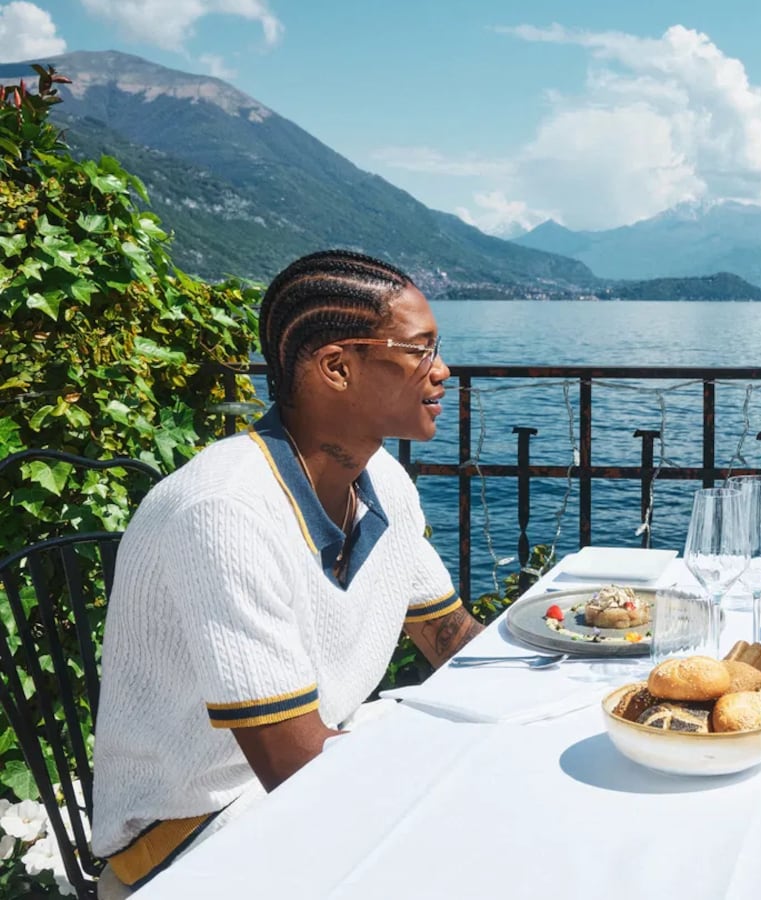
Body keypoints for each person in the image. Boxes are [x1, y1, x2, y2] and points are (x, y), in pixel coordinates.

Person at [91, 250, 484, 895]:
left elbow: (451, 640)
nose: (441, 370)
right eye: (420, 350)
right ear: (337, 367)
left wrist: (572, 684)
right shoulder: (224, 510)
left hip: (303, 782)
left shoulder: (382, 481)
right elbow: (295, 768)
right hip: (193, 837)